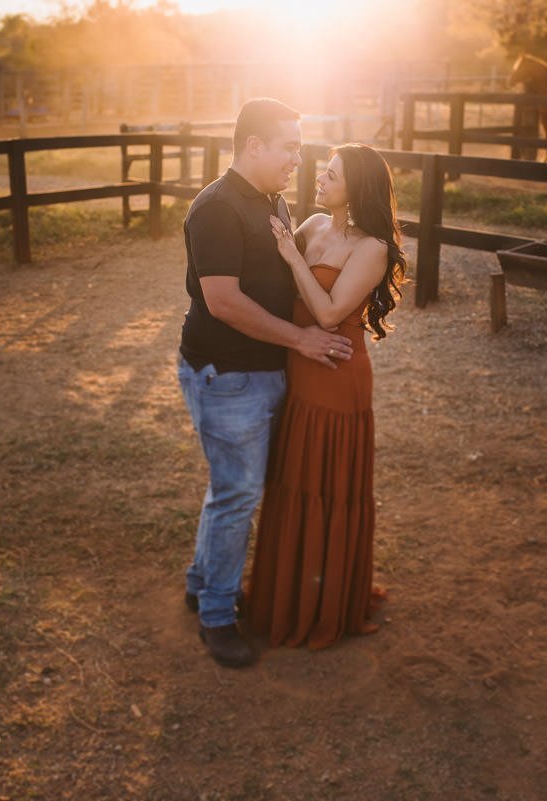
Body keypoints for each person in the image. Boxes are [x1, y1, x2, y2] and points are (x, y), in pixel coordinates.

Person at [178, 98, 354, 669]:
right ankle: (217, 616)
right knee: (237, 495)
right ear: (254, 147)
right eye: (289, 148)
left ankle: (202, 581)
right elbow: (223, 301)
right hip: (228, 375)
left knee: (230, 488)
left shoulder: (268, 199)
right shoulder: (218, 209)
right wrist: (301, 340)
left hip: (260, 371)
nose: (296, 161)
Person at [244, 143, 406, 649]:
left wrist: (291, 255)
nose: (320, 180)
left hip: (336, 374)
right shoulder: (312, 225)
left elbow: (331, 313)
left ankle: (324, 603)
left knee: (326, 484)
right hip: (298, 367)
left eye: (331, 176)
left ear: (355, 188)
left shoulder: (372, 248)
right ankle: (284, 592)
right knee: (294, 478)